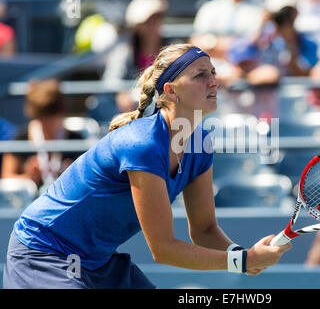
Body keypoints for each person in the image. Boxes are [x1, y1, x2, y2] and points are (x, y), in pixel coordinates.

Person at [2, 43, 292, 289]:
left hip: (95, 261)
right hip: (43, 253)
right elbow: (163, 249)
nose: (214, 81)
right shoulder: (142, 144)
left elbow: (204, 229)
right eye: (201, 75)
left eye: (213, 73)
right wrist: (242, 262)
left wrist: (244, 255)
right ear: (172, 91)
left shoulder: (200, 144)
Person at [1, 79, 83, 191]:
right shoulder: (20, 138)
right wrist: (27, 178)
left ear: (61, 112)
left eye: (52, 116)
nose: (47, 123)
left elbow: (85, 179)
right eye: (41, 117)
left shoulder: (77, 141)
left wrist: (71, 177)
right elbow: (6, 176)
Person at [190, 0, 265, 59]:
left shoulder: (262, 9)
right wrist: (215, 43)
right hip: (213, 63)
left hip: (249, 64)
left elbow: (252, 44)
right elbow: (196, 42)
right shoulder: (210, 7)